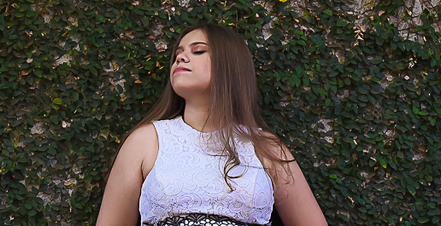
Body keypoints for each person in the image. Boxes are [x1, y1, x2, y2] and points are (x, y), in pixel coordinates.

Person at [96, 23, 328, 226]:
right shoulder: (145, 141)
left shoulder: (266, 147)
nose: (180, 58)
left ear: (230, 64)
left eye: (198, 51)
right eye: (178, 54)